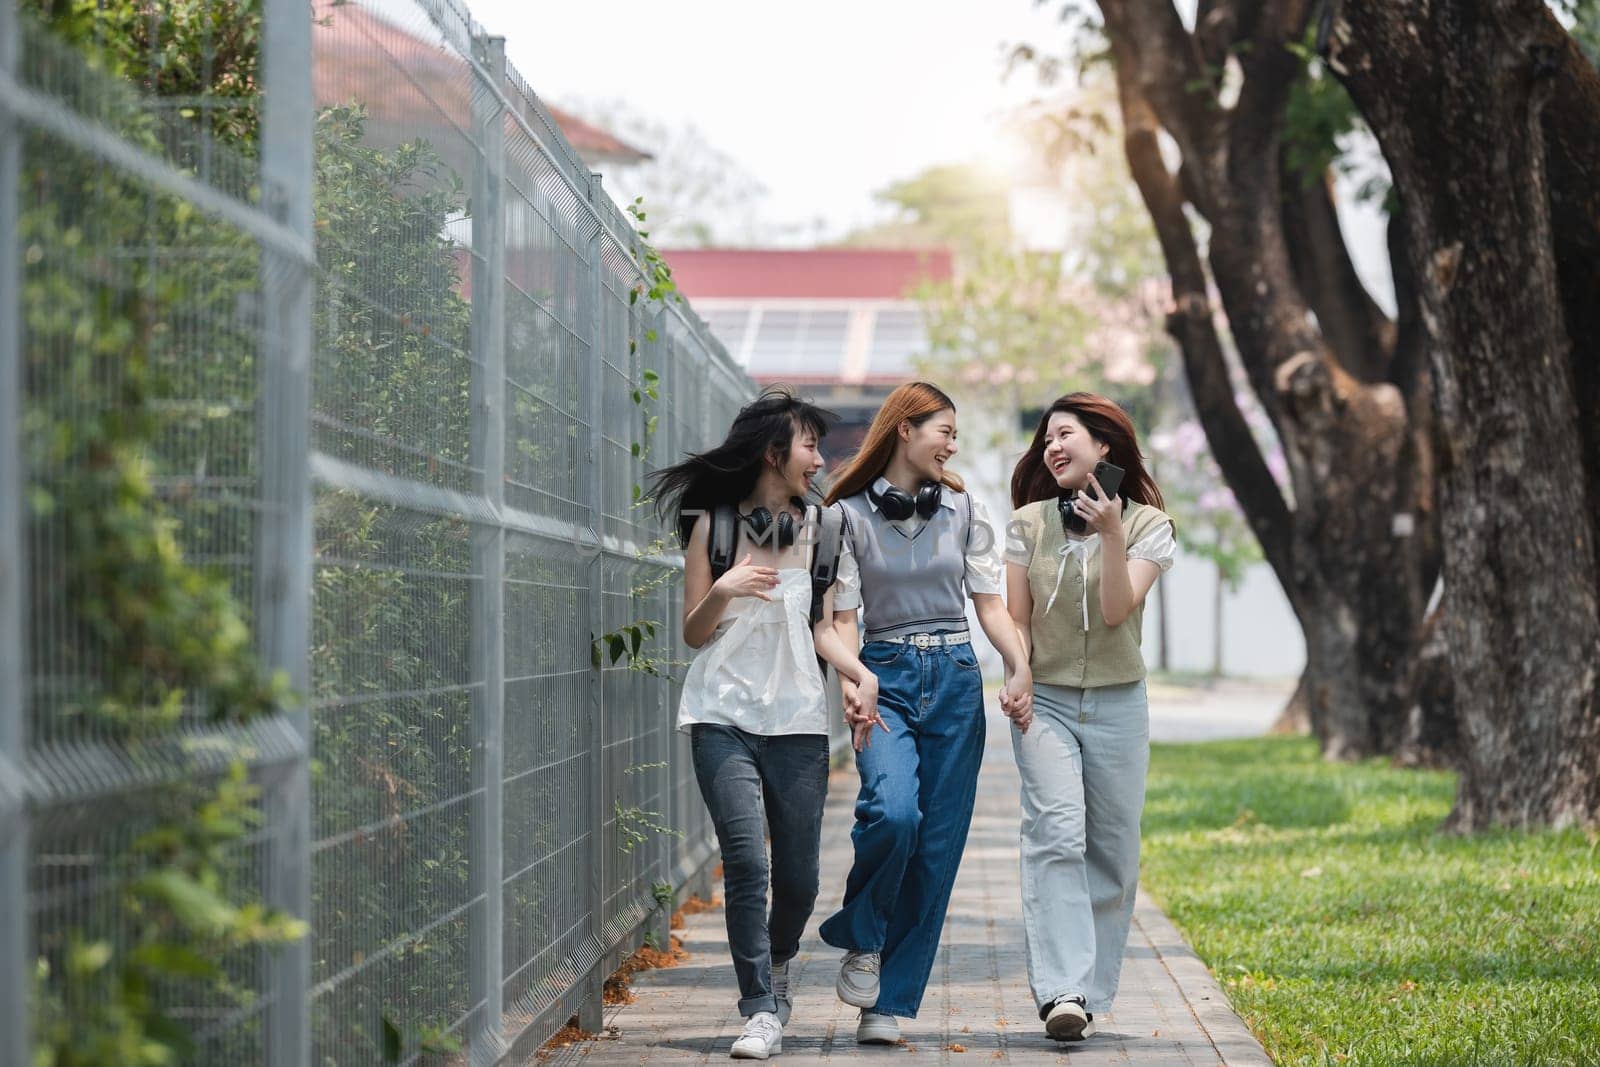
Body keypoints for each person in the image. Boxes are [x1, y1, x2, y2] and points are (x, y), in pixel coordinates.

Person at [650, 389, 882, 1061]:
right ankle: (758, 1007)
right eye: (810, 444)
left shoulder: (825, 528)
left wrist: (858, 674)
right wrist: (721, 590)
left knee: (802, 879)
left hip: (797, 721)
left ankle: (779, 961)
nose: (819, 457)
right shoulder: (714, 527)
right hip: (721, 712)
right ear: (774, 452)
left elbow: (828, 626)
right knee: (748, 861)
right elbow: (694, 633)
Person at [816, 381, 1033, 1045]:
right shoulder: (845, 514)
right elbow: (843, 617)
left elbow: (991, 606)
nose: (954, 443)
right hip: (887, 677)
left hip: (956, 678)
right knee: (892, 810)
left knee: (936, 848)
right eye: (945, 428)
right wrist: (855, 680)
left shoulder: (965, 507)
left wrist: (1018, 665)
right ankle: (863, 935)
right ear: (905, 429)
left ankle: (888, 1002)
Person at [1003, 392, 1176, 1042]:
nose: (1051, 446)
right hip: (1043, 699)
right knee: (1056, 831)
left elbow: (1114, 611)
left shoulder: (1149, 527)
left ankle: (1091, 988)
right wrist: (1017, 669)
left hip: (1118, 702)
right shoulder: (1025, 524)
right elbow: (1016, 619)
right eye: (1046, 437)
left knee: (1112, 847)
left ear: (1104, 445)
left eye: (1065, 433)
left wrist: (1108, 532)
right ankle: (1061, 990)